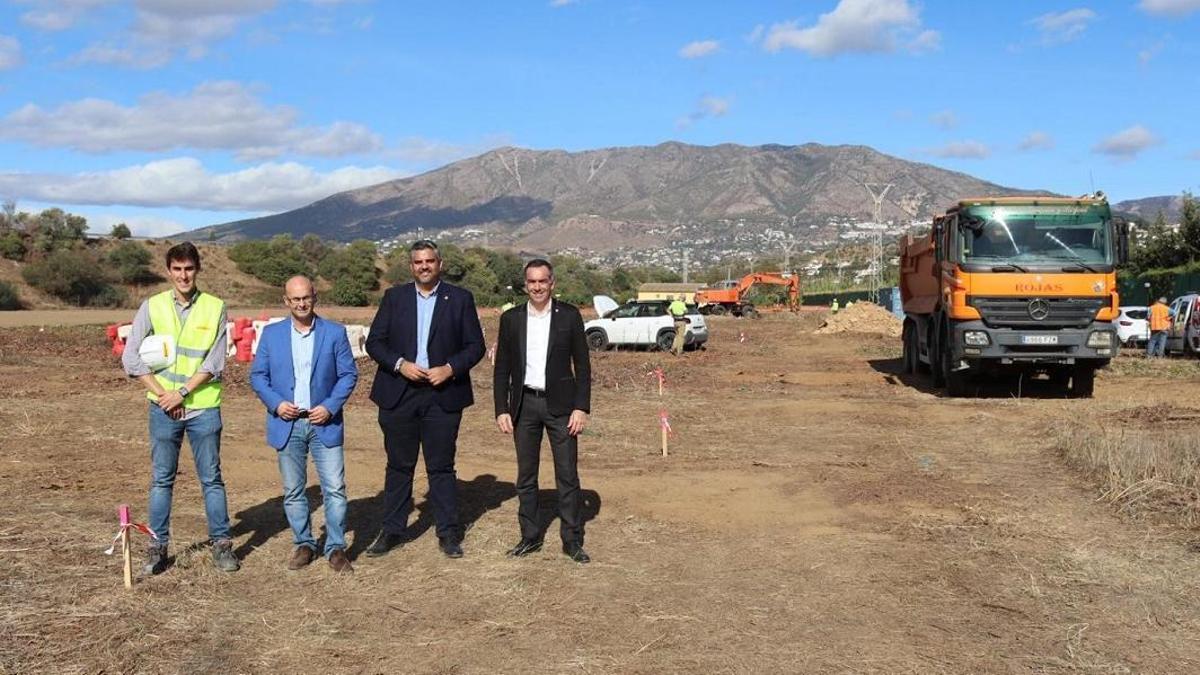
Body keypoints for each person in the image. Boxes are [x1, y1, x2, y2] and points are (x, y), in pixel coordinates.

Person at [121, 242, 238, 575]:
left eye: (189, 268)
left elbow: (215, 362)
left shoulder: (215, 307)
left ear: (197, 269)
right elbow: (131, 357)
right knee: (161, 480)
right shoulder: (152, 306)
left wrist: (183, 392)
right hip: (163, 409)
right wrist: (162, 395)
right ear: (169, 271)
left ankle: (222, 545)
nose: (183, 275)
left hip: (203, 408)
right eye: (177, 269)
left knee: (212, 480)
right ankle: (157, 548)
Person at [364, 240, 485, 558]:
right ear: (411, 266)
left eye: (429, 261)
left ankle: (448, 533)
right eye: (418, 262)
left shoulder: (460, 299)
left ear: (440, 264)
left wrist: (450, 368)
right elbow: (374, 343)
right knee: (398, 466)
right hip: (399, 393)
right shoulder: (394, 298)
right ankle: (392, 530)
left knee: (441, 467)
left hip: (442, 395)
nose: (424, 266)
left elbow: (475, 346)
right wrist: (401, 365)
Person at [249, 276, 359, 573]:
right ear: (286, 301)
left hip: (324, 421)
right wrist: (276, 403)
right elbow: (258, 376)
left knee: (335, 488)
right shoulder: (271, 335)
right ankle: (304, 543)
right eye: (295, 299)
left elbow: (348, 375)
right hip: (287, 423)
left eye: (306, 298)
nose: (301, 303)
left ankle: (335, 548)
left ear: (315, 297)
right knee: (294, 490)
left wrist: (329, 406)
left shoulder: (334, 333)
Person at [493, 259, 592, 563]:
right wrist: (502, 408)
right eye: (532, 282)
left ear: (552, 283)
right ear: (526, 284)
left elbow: (583, 366)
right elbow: (503, 369)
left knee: (567, 474)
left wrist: (581, 407)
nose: (537, 287)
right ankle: (530, 536)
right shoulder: (511, 319)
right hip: (524, 405)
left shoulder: (570, 316)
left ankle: (572, 540)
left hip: (561, 407)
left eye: (543, 281)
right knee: (526, 475)